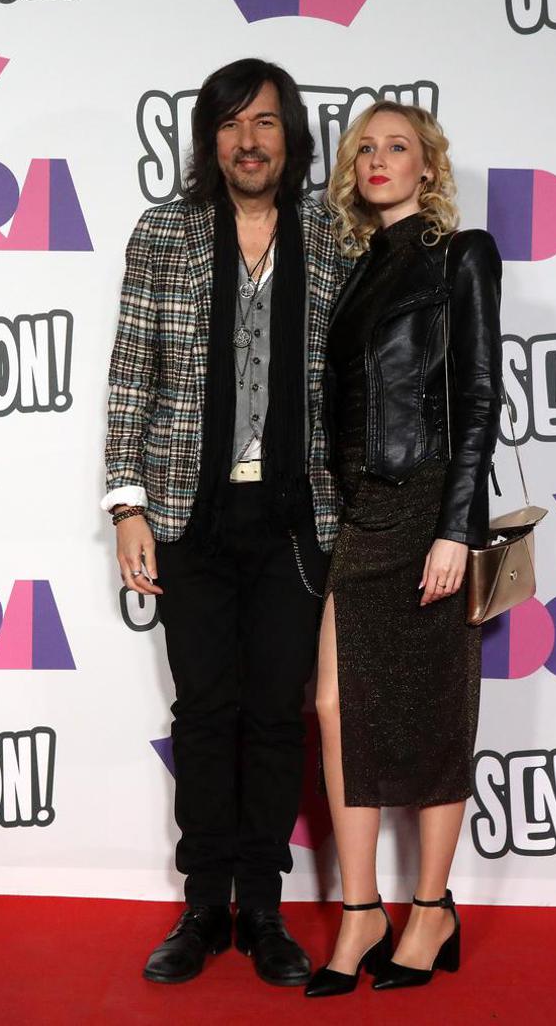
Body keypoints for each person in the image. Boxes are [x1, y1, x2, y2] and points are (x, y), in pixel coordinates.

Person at [102, 58, 348, 987]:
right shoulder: (165, 233)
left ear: (292, 138)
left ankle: (266, 909)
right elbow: (132, 370)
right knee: (204, 712)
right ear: (210, 139)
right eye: (232, 124)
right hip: (185, 514)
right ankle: (205, 906)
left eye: (267, 123)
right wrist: (127, 505)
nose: (250, 141)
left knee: (276, 716)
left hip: (296, 518)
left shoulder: (333, 236)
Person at [304, 102, 502, 997]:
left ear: (429, 167)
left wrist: (457, 527)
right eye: (366, 149)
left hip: (428, 507)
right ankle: (360, 911)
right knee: (336, 707)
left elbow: (479, 397)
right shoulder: (356, 271)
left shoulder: (461, 256)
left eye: (399, 147)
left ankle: (429, 909)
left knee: (432, 711)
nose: (379, 160)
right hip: (364, 512)